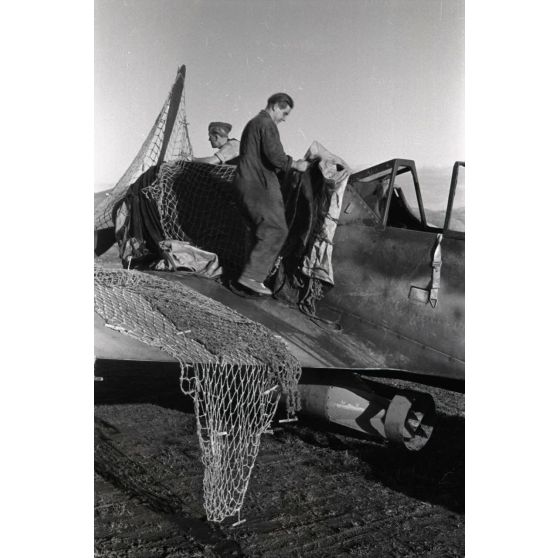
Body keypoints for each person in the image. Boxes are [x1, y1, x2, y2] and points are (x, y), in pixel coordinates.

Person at [234, 92, 309, 295]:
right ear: (276, 106)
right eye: (284, 113)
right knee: (276, 229)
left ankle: (245, 278)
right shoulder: (266, 124)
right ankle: (251, 277)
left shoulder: (253, 123)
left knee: (258, 230)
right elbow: (275, 156)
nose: (284, 119)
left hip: (245, 182)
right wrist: (296, 165)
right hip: (259, 184)